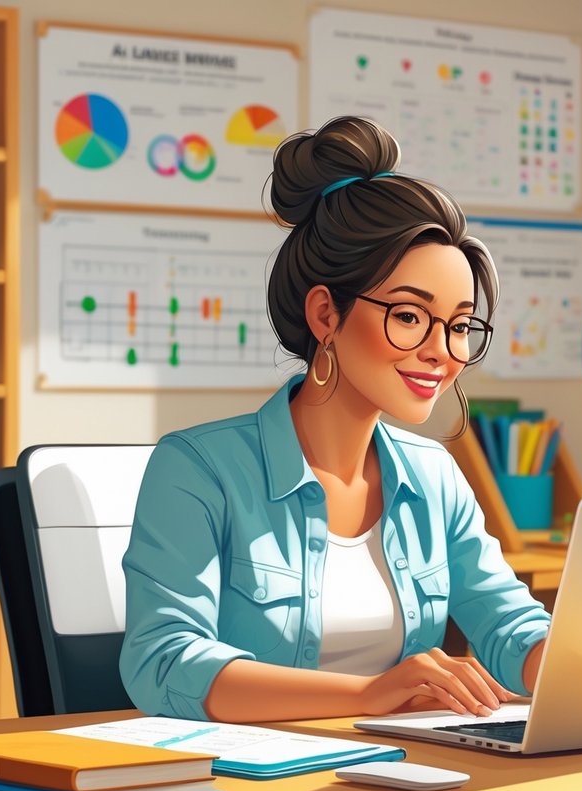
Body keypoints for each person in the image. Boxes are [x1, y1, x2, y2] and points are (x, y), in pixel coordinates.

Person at [119, 116, 551, 724]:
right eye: (410, 316)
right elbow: (163, 661)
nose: (442, 352)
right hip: (249, 771)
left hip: (400, 762)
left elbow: (509, 625)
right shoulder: (199, 469)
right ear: (326, 314)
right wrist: (368, 696)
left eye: (459, 325)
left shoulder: (434, 477)